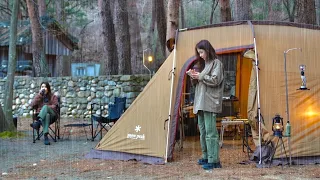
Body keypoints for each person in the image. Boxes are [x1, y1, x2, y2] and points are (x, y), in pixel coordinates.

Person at [187, 40, 225, 170]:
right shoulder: (203, 64)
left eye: (202, 52)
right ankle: (206, 156)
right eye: (199, 53)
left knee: (210, 132)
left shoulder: (216, 64)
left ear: (208, 50)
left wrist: (200, 76)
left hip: (210, 102)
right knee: (203, 132)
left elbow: (215, 80)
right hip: (200, 102)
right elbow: (199, 83)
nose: (201, 55)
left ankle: (214, 160)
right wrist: (193, 77)